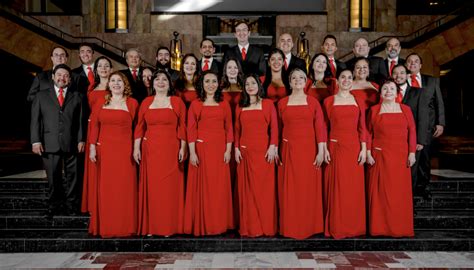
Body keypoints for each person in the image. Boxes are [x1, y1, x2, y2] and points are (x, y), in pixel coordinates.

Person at [133, 70, 187, 236]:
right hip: (150, 151)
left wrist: (183, 147)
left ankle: (169, 226)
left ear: (170, 84)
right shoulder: (146, 102)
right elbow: (140, 127)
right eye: (158, 79)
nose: (161, 82)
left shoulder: (177, 102)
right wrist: (136, 148)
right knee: (153, 189)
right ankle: (152, 226)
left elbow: (182, 126)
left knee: (169, 189)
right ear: (153, 83)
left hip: (171, 150)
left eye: (164, 79)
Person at [30, 64, 86, 216]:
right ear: (53, 77)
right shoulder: (41, 95)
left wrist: (81, 140)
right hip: (49, 142)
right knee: (53, 178)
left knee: (73, 177)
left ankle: (72, 206)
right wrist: (35, 141)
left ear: (70, 79)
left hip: (72, 142)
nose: (62, 78)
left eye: (66, 75)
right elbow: (35, 120)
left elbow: (80, 121)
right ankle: (54, 206)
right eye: (59, 75)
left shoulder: (78, 96)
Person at [277, 68, 327, 239]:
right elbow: (278, 129)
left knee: (307, 188)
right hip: (289, 150)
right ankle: (290, 226)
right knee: (290, 188)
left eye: (301, 77)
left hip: (309, 150)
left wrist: (321, 151)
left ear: (306, 81)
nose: (297, 80)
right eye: (294, 78)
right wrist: (276, 149)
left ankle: (309, 226)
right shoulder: (282, 103)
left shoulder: (313, 102)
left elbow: (320, 128)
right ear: (289, 82)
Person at [88, 71, 138, 237]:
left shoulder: (132, 103)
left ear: (125, 85)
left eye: (120, 81)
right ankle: (108, 226)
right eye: (113, 81)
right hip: (105, 151)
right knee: (107, 188)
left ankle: (125, 226)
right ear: (109, 84)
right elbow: (94, 125)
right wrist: (93, 147)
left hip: (125, 151)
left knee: (124, 188)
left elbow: (137, 128)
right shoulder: (101, 102)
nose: (116, 84)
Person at [184, 71, 234, 236]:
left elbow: (229, 128)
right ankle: (203, 223)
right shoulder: (195, 104)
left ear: (218, 83)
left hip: (220, 151)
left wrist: (228, 150)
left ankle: (219, 223)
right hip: (202, 150)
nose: (211, 84)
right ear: (202, 84)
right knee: (203, 188)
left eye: (214, 81)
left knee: (218, 188)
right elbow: (190, 130)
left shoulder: (224, 103)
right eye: (207, 81)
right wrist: (192, 152)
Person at [366, 79, 416, 237]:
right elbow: (368, 133)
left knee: (399, 193)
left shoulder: (406, 109)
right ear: (380, 93)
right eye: (385, 88)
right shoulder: (374, 110)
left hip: (400, 157)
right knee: (381, 193)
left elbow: (412, 132)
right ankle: (379, 228)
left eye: (392, 88)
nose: (388, 91)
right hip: (379, 155)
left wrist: (412, 152)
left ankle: (400, 228)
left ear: (397, 92)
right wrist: (367, 153)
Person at [323, 69, 367, 239]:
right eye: (343, 77)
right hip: (335, 147)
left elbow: (362, 127)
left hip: (354, 148)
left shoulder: (359, 101)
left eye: (350, 78)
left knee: (352, 187)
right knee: (337, 186)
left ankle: (354, 226)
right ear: (338, 81)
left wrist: (364, 149)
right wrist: (325, 147)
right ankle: (337, 225)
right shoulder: (328, 101)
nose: (347, 80)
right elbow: (324, 127)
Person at [235, 74, 279, 237]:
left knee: (264, 191)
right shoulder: (240, 105)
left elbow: (274, 127)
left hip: (264, 153)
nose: (250, 86)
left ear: (259, 85)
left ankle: (266, 227)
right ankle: (249, 227)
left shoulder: (267, 104)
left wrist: (273, 146)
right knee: (248, 192)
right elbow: (237, 129)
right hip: (245, 152)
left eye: (253, 83)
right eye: (247, 84)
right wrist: (237, 148)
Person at [406, 52, 445, 199]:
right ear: (406, 65)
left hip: (427, 126)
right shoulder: (402, 80)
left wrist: (440, 123)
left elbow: (438, 103)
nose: (413, 64)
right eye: (410, 61)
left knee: (424, 158)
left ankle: (423, 187)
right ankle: (410, 188)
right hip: (408, 126)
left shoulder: (432, 81)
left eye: (416, 62)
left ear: (420, 65)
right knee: (411, 158)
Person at [81, 56, 113, 214]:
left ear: (111, 69)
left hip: (109, 129)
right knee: (95, 164)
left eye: (107, 66)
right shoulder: (91, 88)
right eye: (100, 66)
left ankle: (108, 200)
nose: (104, 68)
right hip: (93, 128)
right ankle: (94, 203)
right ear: (96, 70)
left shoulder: (115, 86)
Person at [392, 64, 430, 191]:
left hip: (412, 140)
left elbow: (423, 118)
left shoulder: (418, 92)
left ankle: (409, 206)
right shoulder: (387, 92)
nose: (398, 76)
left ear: (408, 75)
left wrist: (420, 140)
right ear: (392, 76)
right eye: (395, 73)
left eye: (402, 73)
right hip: (393, 140)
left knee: (411, 172)